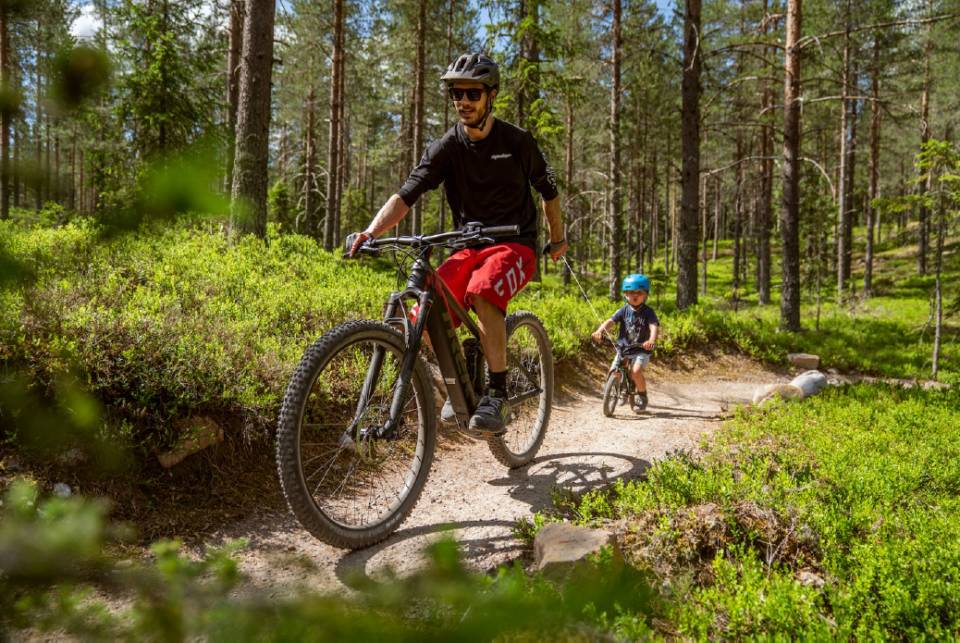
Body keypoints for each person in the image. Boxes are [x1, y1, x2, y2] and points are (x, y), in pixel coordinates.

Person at [348, 52, 567, 434]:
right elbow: (406, 194)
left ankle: (496, 393)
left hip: (515, 243)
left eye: (472, 93)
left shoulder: (517, 142)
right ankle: (465, 372)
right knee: (424, 314)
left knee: (483, 291)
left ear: (491, 96)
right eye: (456, 93)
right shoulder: (446, 146)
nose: (462, 101)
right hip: (468, 246)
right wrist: (371, 232)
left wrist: (558, 239)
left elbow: (549, 192)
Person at [591, 274, 660, 412]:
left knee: (635, 371)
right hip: (623, 348)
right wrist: (599, 331)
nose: (635, 295)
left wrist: (651, 340)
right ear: (625, 294)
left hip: (641, 349)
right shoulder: (623, 310)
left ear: (645, 294)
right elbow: (610, 321)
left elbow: (653, 326)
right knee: (614, 371)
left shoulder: (648, 312)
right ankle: (620, 390)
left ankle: (642, 395)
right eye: (631, 292)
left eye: (639, 293)